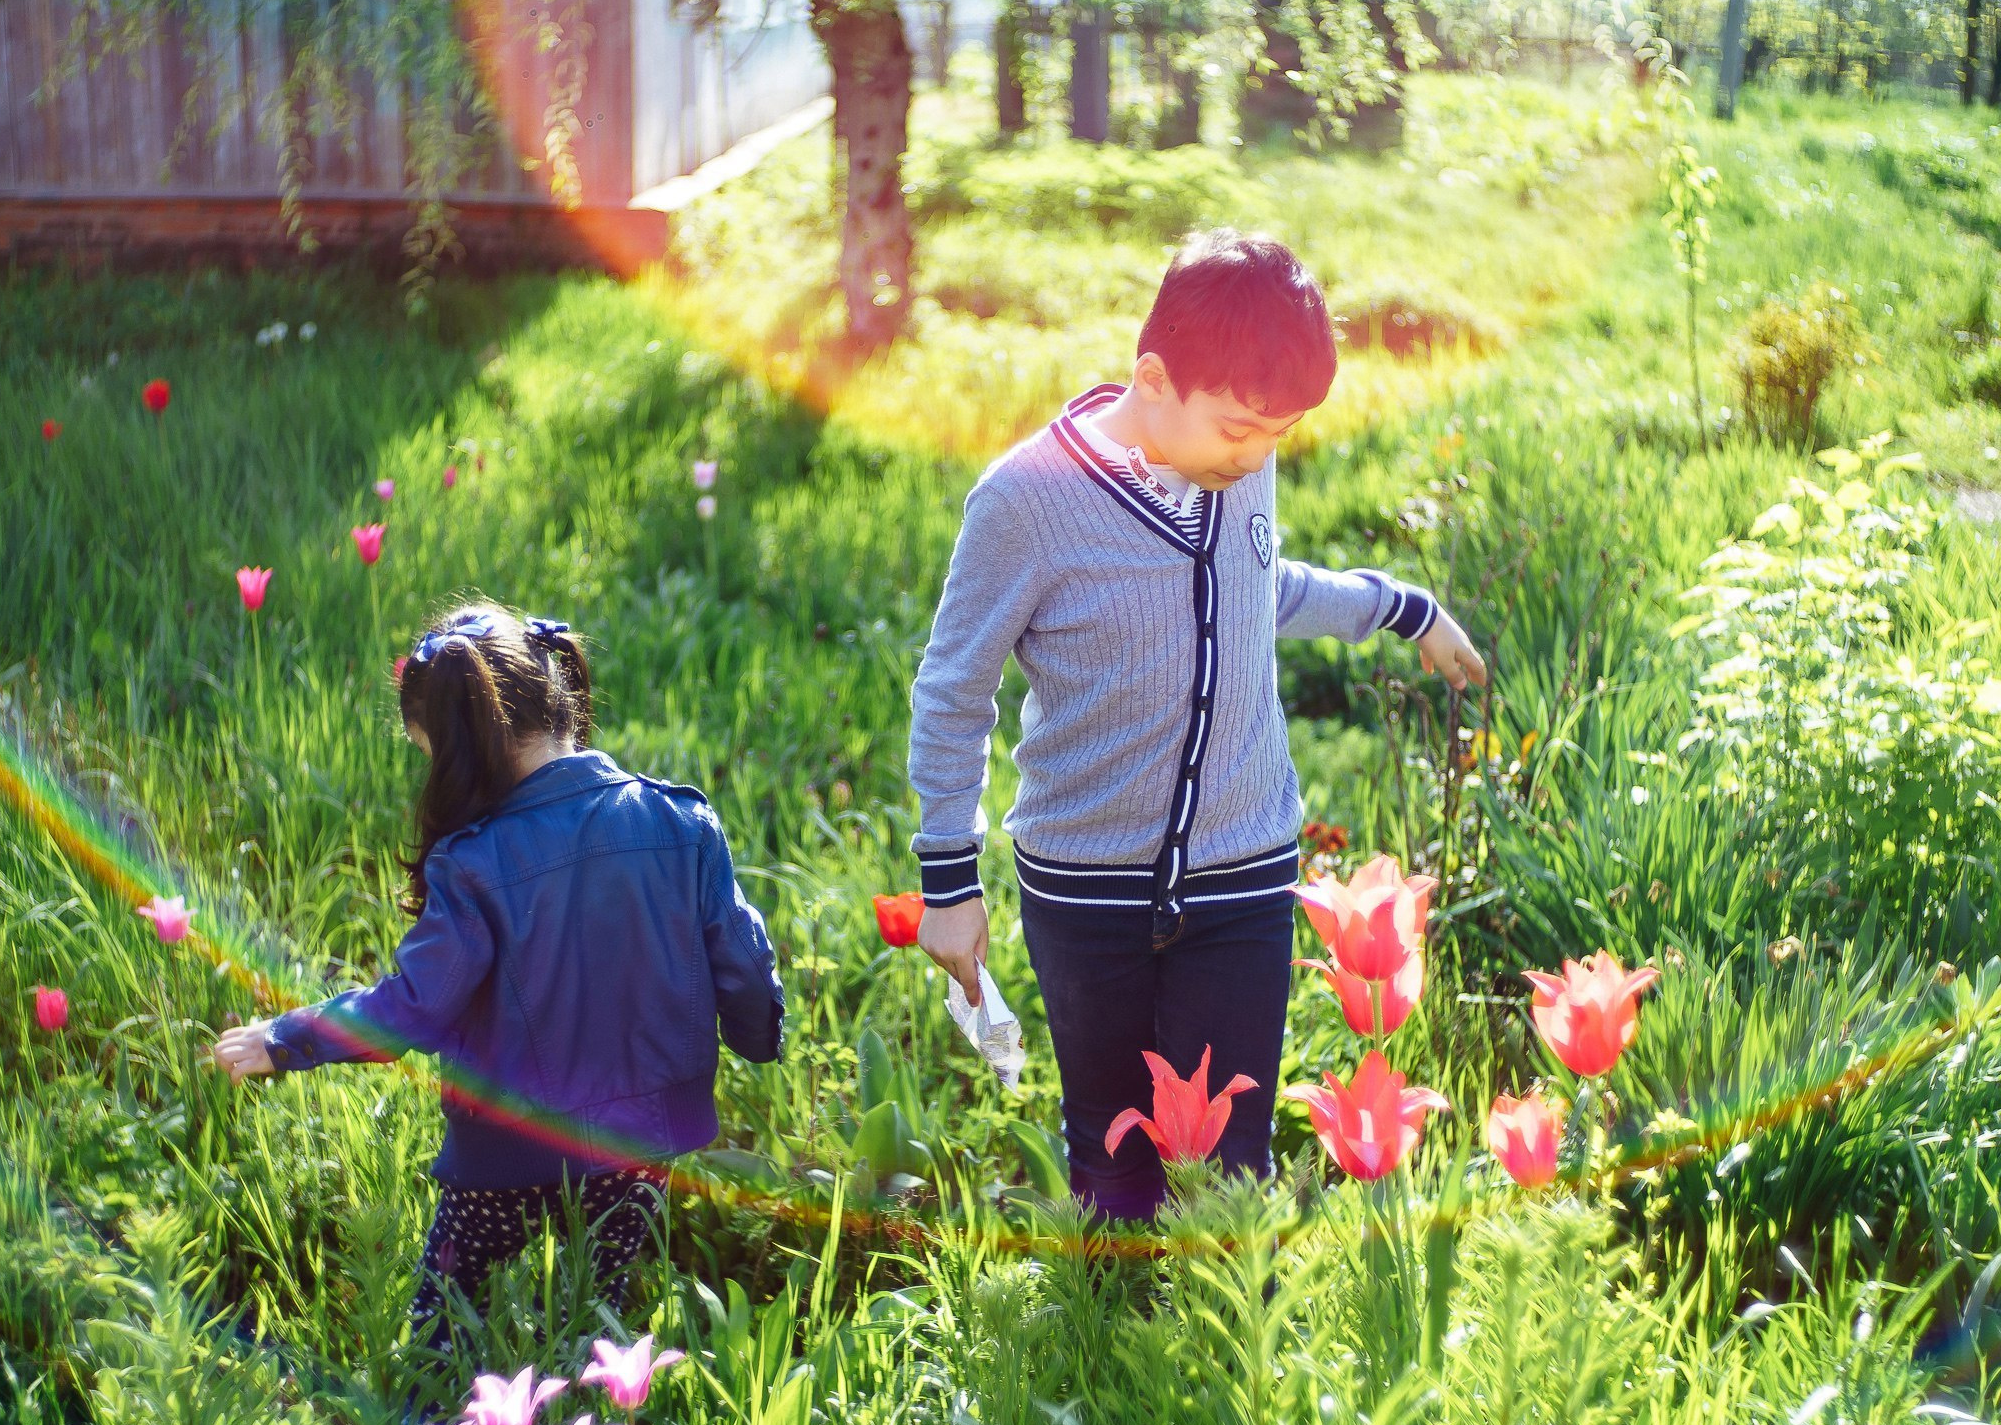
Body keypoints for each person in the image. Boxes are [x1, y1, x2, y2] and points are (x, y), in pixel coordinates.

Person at [908, 228, 1488, 1222]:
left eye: (1278, 435)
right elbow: (954, 690)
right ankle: (1112, 1321)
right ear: (1154, 378)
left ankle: (1225, 1323)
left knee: (1231, 1165)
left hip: (1242, 869)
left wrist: (1400, 608)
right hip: (1087, 888)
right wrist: (948, 882)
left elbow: (1258, 585)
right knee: (1114, 1158)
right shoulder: (1024, 504)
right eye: (1239, 430)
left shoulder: (1233, 461)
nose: (1257, 455)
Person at [212, 603, 784, 1346]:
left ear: (464, 748)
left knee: (447, 1321)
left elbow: (414, 1008)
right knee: (594, 1316)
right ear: (559, 698)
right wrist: (757, 1036)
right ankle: (581, 1408)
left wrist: (288, 1037)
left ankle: (429, 1413)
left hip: (502, 1159)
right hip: (639, 1145)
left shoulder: (474, 861)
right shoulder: (681, 822)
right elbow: (741, 962)